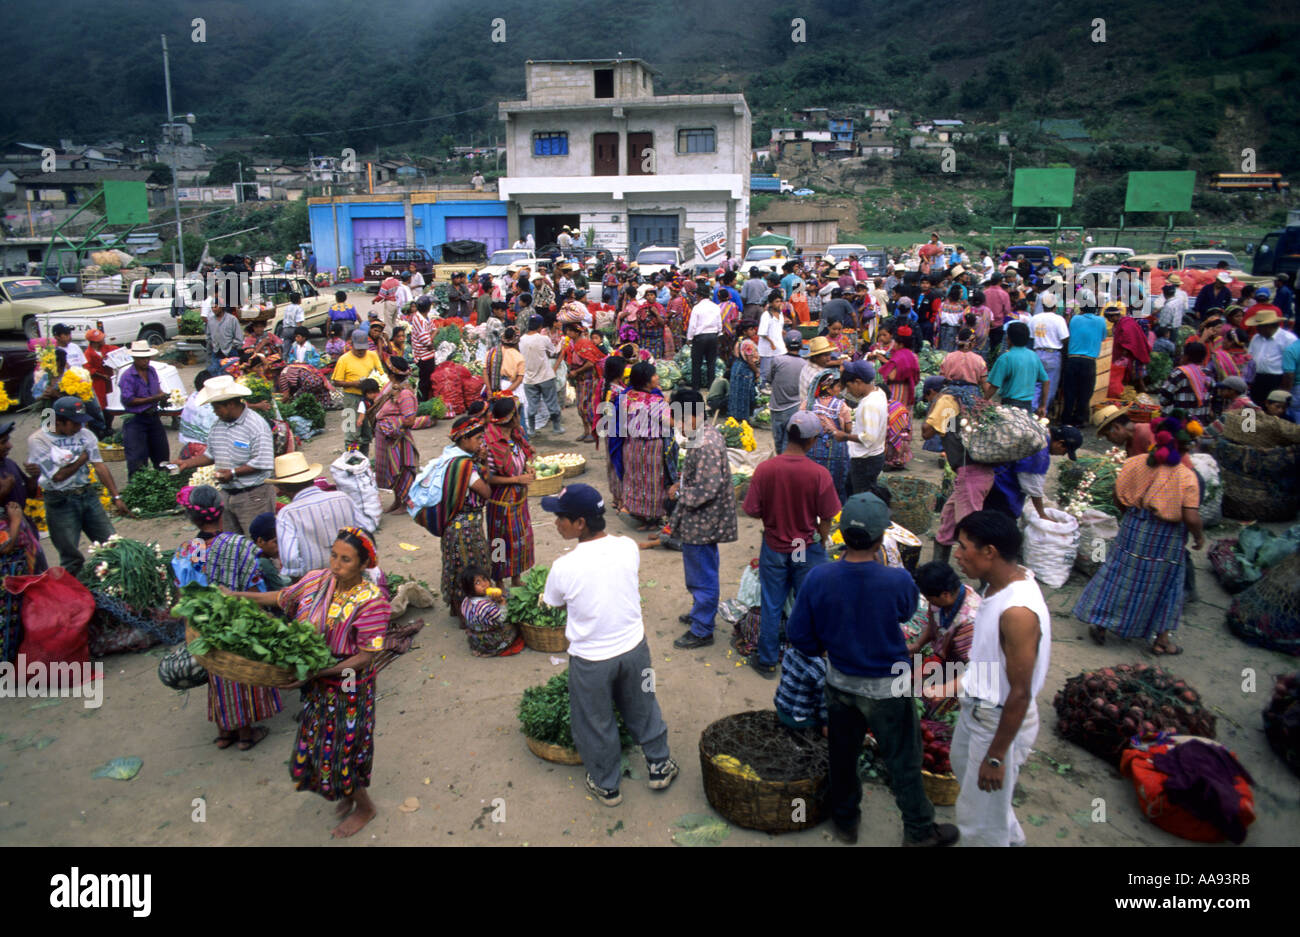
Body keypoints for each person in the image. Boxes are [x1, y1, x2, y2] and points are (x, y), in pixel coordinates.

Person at [787, 492, 958, 847]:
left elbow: (799, 636)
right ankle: (920, 831)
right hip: (887, 689)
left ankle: (846, 822)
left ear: (841, 534)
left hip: (840, 685)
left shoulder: (819, 578)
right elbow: (906, 614)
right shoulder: (897, 582)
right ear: (883, 538)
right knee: (904, 761)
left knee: (843, 756)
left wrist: (826, 647)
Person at [227, 527, 389, 838]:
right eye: (333, 555)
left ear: (363, 563)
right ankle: (344, 793)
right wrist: (237, 596)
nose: (336, 564)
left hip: (348, 687)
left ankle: (365, 806)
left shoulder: (372, 601)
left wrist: (318, 673)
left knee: (344, 749)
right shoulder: (318, 580)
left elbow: (366, 656)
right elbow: (280, 597)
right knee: (320, 742)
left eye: (346, 559)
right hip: (318, 684)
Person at [540, 483, 680, 805]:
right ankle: (659, 764)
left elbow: (555, 603)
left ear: (580, 524)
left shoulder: (563, 567)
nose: (556, 523)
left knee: (595, 720)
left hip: (591, 661)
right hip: (634, 650)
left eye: (561, 517)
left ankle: (606, 784)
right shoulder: (627, 546)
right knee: (644, 704)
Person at [945, 510, 1052, 847]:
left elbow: (1020, 692)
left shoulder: (1017, 612)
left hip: (996, 718)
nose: (957, 556)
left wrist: (996, 755)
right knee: (982, 800)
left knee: (978, 823)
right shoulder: (999, 585)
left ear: (990, 551)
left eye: (963, 548)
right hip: (979, 709)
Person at [1074, 412, 1203, 655]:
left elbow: (1117, 495)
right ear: (1183, 446)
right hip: (1167, 535)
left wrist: (1131, 515)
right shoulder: (1186, 476)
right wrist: (1199, 536)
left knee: (1118, 573)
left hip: (1135, 526)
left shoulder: (1135, 463)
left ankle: (1101, 624)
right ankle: (1161, 640)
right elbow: (1191, 516)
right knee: (1167, 584)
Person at [171, 484, 282, 750]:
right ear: (220, 511)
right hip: (237, 621)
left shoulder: (190, 549)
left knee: (216, 676)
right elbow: (254, 588)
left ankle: (224, 733)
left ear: (191, 517)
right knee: (239, 674)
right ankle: (245, 734)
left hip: (203, 626)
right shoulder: (239, 546)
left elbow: (182, 594)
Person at [742, 411, 840, 677]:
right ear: (811, 441)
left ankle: (767, 660)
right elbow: (829, 515)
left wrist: (773, 516)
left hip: (775, 544)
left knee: (772, 603)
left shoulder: (766, 469)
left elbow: (751, 509)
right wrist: (820, 536)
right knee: (805, 603)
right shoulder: (819, 474)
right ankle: (806, 661)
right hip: (804, 546)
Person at [667, 388, 737, 649]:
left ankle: (702, 629)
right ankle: (700, 613)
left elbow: (707, 489)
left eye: (678, 418)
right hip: (701, 520)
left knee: (702, 576)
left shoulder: (705, 444)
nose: (676, 425)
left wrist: (679, 495)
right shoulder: (705, 434)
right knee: (703, 569)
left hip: (702, 521)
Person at [25, 397, 127, 575]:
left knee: (111, 543)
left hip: (87, 495)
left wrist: (116, 496)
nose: (80, 427)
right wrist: (82, 459)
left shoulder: (85, 435)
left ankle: (117, 584)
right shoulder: (38, 440)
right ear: (59, 422)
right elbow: (58, 476)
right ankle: (75, 593)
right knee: (71, 556)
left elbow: (100, 466)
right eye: (74, 424)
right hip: (60, 501)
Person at [173, 376, 274, 537]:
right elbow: (210, 455)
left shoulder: (255, 425)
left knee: (257, 544)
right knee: (232, 544)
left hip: (253, 496)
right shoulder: (218, 426)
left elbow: (262, 461)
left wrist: (232, 473)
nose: (214, 411)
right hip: (227, 495)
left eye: (217, 407)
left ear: (231, 404)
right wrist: (187, 463)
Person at [416, 414, 493, 620]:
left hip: (452, 526)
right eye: (477, 439)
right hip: (466, 528)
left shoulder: (449, 458)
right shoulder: (465, 466)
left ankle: (457, 607)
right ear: (464, 439)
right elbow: (485, 492)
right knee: (471, 568)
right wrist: (484, 464)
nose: (481, 443)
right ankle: (469, 613)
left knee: (456, 565)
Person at [267, 453, 361, 582]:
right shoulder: (343, 498)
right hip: (353, 572)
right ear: (311, 478)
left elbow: (290, 558)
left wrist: (300, 582)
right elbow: (363, 534)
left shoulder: (288, 514)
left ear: (282, 488)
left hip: (317, 580)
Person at [482, 396, 535, 589]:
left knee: (520, 539)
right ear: (511, 417)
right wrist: (516, 479)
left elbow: (523, 456)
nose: (519, 417)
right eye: (517, 413)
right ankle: (498, 580)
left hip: (519, 499)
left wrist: (528, 468)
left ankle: (516, 577)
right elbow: (488, 477)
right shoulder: (489, 443)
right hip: (501, 501)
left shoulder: (516, 434)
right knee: (500, 541)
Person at [368, 356, 433, 511]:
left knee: (402, 470)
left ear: (391, 374)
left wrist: (392, 426)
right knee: (392, 470)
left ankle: (406, 503)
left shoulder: (405, 394)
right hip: (386, 439)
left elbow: (409, 419)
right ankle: (398, 501)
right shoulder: (391, 387)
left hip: (397, 439)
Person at [613, 361, 673, 530]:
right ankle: (653, 518)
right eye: (654, 375)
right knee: (653, 481)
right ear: (647, 381)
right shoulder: (655, 401)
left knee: (636, 480)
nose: (657, 377)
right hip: (651, 447)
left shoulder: (626, 396)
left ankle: (638, 511)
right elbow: (670, 422)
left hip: (631, 446)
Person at [116, 339, 171, 476]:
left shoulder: (151, 371)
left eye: (147, 358)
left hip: (153, 417)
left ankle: (162, 482)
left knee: (161, 454)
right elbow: (128, 400)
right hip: (136, 420)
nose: (145, 361)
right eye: (142, 359)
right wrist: (154, 398)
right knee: (137, 459)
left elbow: (157, 389)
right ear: (135, 358)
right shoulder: (128, 376)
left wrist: (163, 398)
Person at [909, 561, 978, 665]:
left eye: (929, 599)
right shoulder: (943, 597)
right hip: (940, 656)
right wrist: (918, 645)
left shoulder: (968, 623)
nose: (929, 602)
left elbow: (966, 664)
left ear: (945, 595)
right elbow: (932, 627)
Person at [800, 368, 852, 503]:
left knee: (812, 484)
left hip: (813, 449)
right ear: (828, 389)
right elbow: (848, 429)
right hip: (836, 452)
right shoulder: (841, 406)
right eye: (838, 386)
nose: (840, 389)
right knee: (835, 485)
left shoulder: (808, 404)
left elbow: (800, 424)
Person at [331, 328, 384, 449]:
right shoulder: (344, 359)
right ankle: (350, 459)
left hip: (368, 399)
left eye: (363, 348)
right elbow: (336, 381)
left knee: (366, 431)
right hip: (351, 398)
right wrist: (354, 383)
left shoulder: (372, 355)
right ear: (351, 344)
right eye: (358, 348)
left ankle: (363, 459)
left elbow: (381, 373)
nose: (361, 351)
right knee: (351, 430)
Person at [841, 360, 887, 496]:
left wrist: (843, 436)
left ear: (858, 382)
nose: (848, 391)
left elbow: (868, 438)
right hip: (874, 455)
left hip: (865, 460)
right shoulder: (879, 392)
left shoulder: (869, 404)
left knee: (860, 497)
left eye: (849, 387)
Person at [458, 566, 524, 657]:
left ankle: (478, 647)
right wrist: (502, 602)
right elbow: (501, 618)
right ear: (469, 587)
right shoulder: (485, 607)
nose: (484, 584)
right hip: (489, 639)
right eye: (478, 582)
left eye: (484, 579)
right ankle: (491, 651)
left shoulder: (466, 601)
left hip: (474, 636)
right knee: (514, 628)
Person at [985, 321, 1048, 415]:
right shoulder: (1033, 356)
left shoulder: (1005, 358)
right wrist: (1042, 405)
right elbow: (1046, 381)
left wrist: (983, 401)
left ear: (1008, 339)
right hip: (1028, 407)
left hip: (1009, 407)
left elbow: (994, 386)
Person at [520, 315, 564, 436]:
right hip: (545, 376)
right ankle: (557, 427)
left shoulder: (522, 339)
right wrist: (562, 344)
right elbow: (553, 351)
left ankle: (532, 429)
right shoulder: (543, 338)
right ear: (540, 326)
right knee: (552, 403)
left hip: (529, 378)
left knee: (532, 405)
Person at [562, 321, 604, 443]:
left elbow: (591, 363)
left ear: (577, 332)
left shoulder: (584, 344)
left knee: (587, 405)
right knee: (580, 407)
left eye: (570, 330)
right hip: (580, 379)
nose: (568, 333)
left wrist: (577, 371)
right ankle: (586, 431)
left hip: (589, 379)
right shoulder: (573, 344)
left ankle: (593, 431)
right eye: (567, 330)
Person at [1245, 306, 1297, 403]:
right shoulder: (1256, 338)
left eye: (1259, 326)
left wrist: (1285, 389)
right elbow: (1250, 358)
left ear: (1268, 326)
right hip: (1258, 379)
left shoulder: (1288, 339)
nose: (1256, 328)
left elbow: (1291, 368)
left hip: (1277, 380)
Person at [1156, 342, 1215, 426]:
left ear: (1186, 357)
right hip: (1199, 424)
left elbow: (1162, 399)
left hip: (1178, 424)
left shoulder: (1179, 373)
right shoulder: (1208, 374)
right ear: (1203, 358)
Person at [769, 330, 808, 454]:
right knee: (790, 442)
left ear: (785, 344)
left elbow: (770, 379)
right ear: (801, 346)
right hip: (794, 408)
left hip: (777, 408)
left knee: (778, 442)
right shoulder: (804, 364)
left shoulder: (777, 360)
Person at [1029, 292, 1069, 411]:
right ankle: (1043, 411)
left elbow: (1030, 338)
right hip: (1053, 355)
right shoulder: (1059, 319)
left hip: (1037, 353)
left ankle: (1032, 411)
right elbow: (1065, 338)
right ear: (1055, 306)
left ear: (1042, 305)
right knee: (1050, 385)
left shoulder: (1035, 318)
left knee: (1036, 385)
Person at [1105, 301, 1150, 397]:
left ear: (1115, 316)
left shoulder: (1126, 323)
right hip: (1123, 354)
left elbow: (1129, 341)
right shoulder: (1118, 323)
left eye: (1110, 318)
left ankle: (1143, 395)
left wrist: (1124, 355)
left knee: (1137, 377)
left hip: (1132, 353)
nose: (1109, 320)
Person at [728, 320, 760, 422]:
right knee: (744, 394)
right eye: (751, 329)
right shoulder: (747, 343)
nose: (753, 331)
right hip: (744, 370)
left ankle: (734, 416)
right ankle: (742, 418)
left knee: (736, 393)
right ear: (745, 331)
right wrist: (756, 372)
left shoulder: (740, 340)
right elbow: (750, 361)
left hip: (737, 368)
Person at [756, 290, 788, 384]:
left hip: (779, 347)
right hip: (768, 349)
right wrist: (772, 343)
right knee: (765, 374)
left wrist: (782, 331)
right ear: (770, 303)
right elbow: (762, 333)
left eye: (780, 301)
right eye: (776, 302)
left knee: (778, 371)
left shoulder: (780, 314)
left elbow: (778, 327)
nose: (779, 304)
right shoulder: (766, 316)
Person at [205, 304, 243, 376]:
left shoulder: (232, 319)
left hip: (231, 352)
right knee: (215, 374)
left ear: (221, 307)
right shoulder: (210, 321)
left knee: (232, 374)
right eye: (212, 307)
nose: (214, 309)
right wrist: (212, 346)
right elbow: (208, 337)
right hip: (216, 352)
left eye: (215, 307)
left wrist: (232, 346)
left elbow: (239, 337)